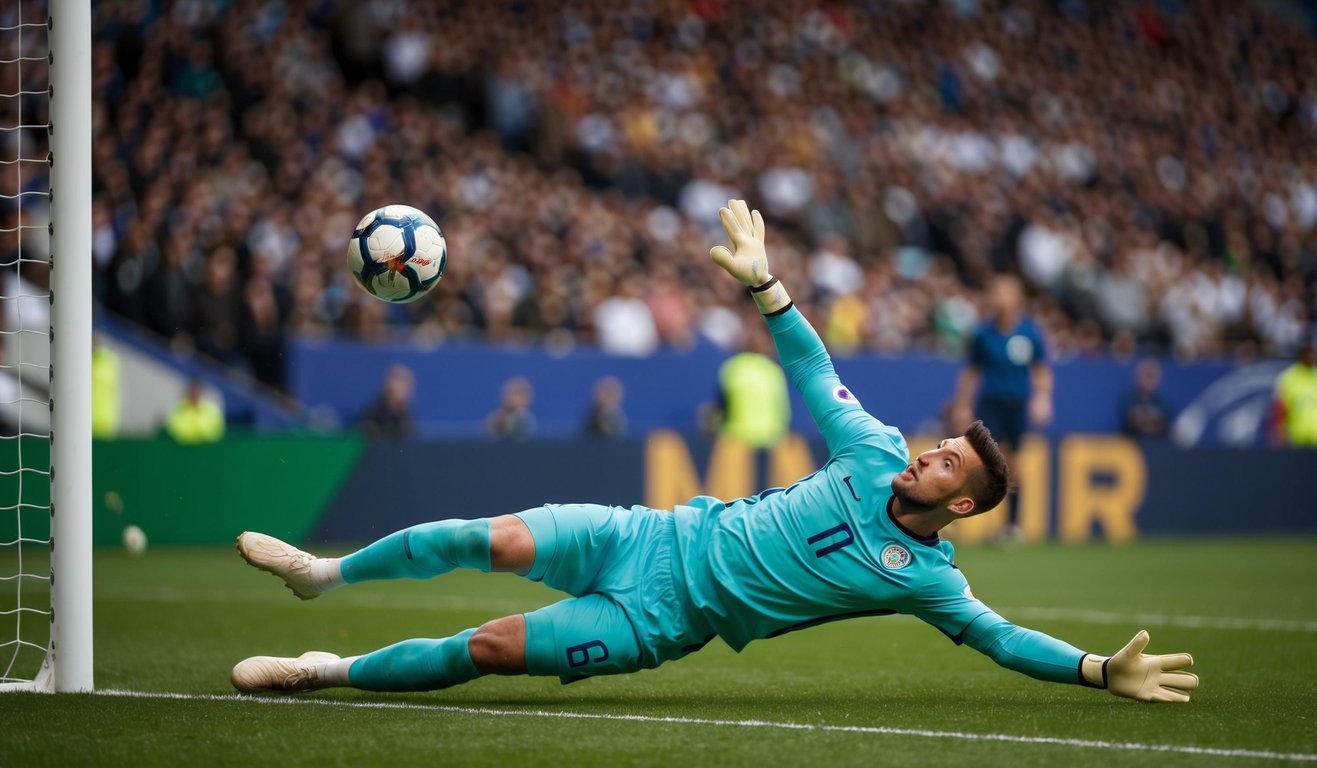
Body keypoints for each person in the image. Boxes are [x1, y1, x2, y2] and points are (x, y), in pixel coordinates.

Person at [231, 200, 1197, 704]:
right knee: (491, 537)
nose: (927, 456)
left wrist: (1090, 669)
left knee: (487, 648)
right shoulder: (871, 453)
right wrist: (767, 287)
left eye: (948, 465)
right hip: (648, 536)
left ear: (962, 507)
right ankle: (323, 574)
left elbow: (998, 637)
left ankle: (323, 670)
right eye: (937, 446)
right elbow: (814, 372)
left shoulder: (926, 580)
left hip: (667, 615)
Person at [950, 273, 1053, 541]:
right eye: (996, 292)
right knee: (975, 460)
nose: (1000, 298)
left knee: (1013, 463)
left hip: (1016, 405)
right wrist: (962, 405)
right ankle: (952, 519)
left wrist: (1042, 397)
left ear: (1017, 297)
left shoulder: (1029, 332)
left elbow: (1040, 370)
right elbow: (971, 373)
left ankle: (1011, 526)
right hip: (991, 403)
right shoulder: (983, 333)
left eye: (1006, 292)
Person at [700, 317, 791, 449]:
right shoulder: (734, 367)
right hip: (737, 445)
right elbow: (719, 406)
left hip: (768, 446)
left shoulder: (774, 371)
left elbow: (782, 413)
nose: (757, 339)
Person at [1272, 340, 1317, 447]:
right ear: (1302, 356)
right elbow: (1280, 409)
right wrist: (1279, 434)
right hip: (1297, 438)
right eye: (1310, 354)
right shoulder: (1288, 378)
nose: (1313, 358)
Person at [1119, 358, 1173, 440]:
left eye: (1153, 376)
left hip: (1159, 445)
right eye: (1147, 375)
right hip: (1132, 444)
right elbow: (1128, 420)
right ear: (1137, 376)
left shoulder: (1164, 403)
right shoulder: (1128, 399)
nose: (1149, 380)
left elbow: (1165, 422)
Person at [358, 365, 416, 440]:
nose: (406, 393)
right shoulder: (373, 416)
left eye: (408, 388)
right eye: (401, 389)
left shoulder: (407, 417)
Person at [165, 377, 225, 444]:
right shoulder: (177, 409)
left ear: (202, 393)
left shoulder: (212, 409)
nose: (194, 394)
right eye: (192, 391)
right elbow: (176, 431)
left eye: (197, 391)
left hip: (207, 447)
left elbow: (216, 431)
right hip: (183, 447)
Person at [486, 376, 537, 441]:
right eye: (515, 393)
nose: (516, 399)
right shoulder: (495, 420)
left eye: (520, 394)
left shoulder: (529, 422)